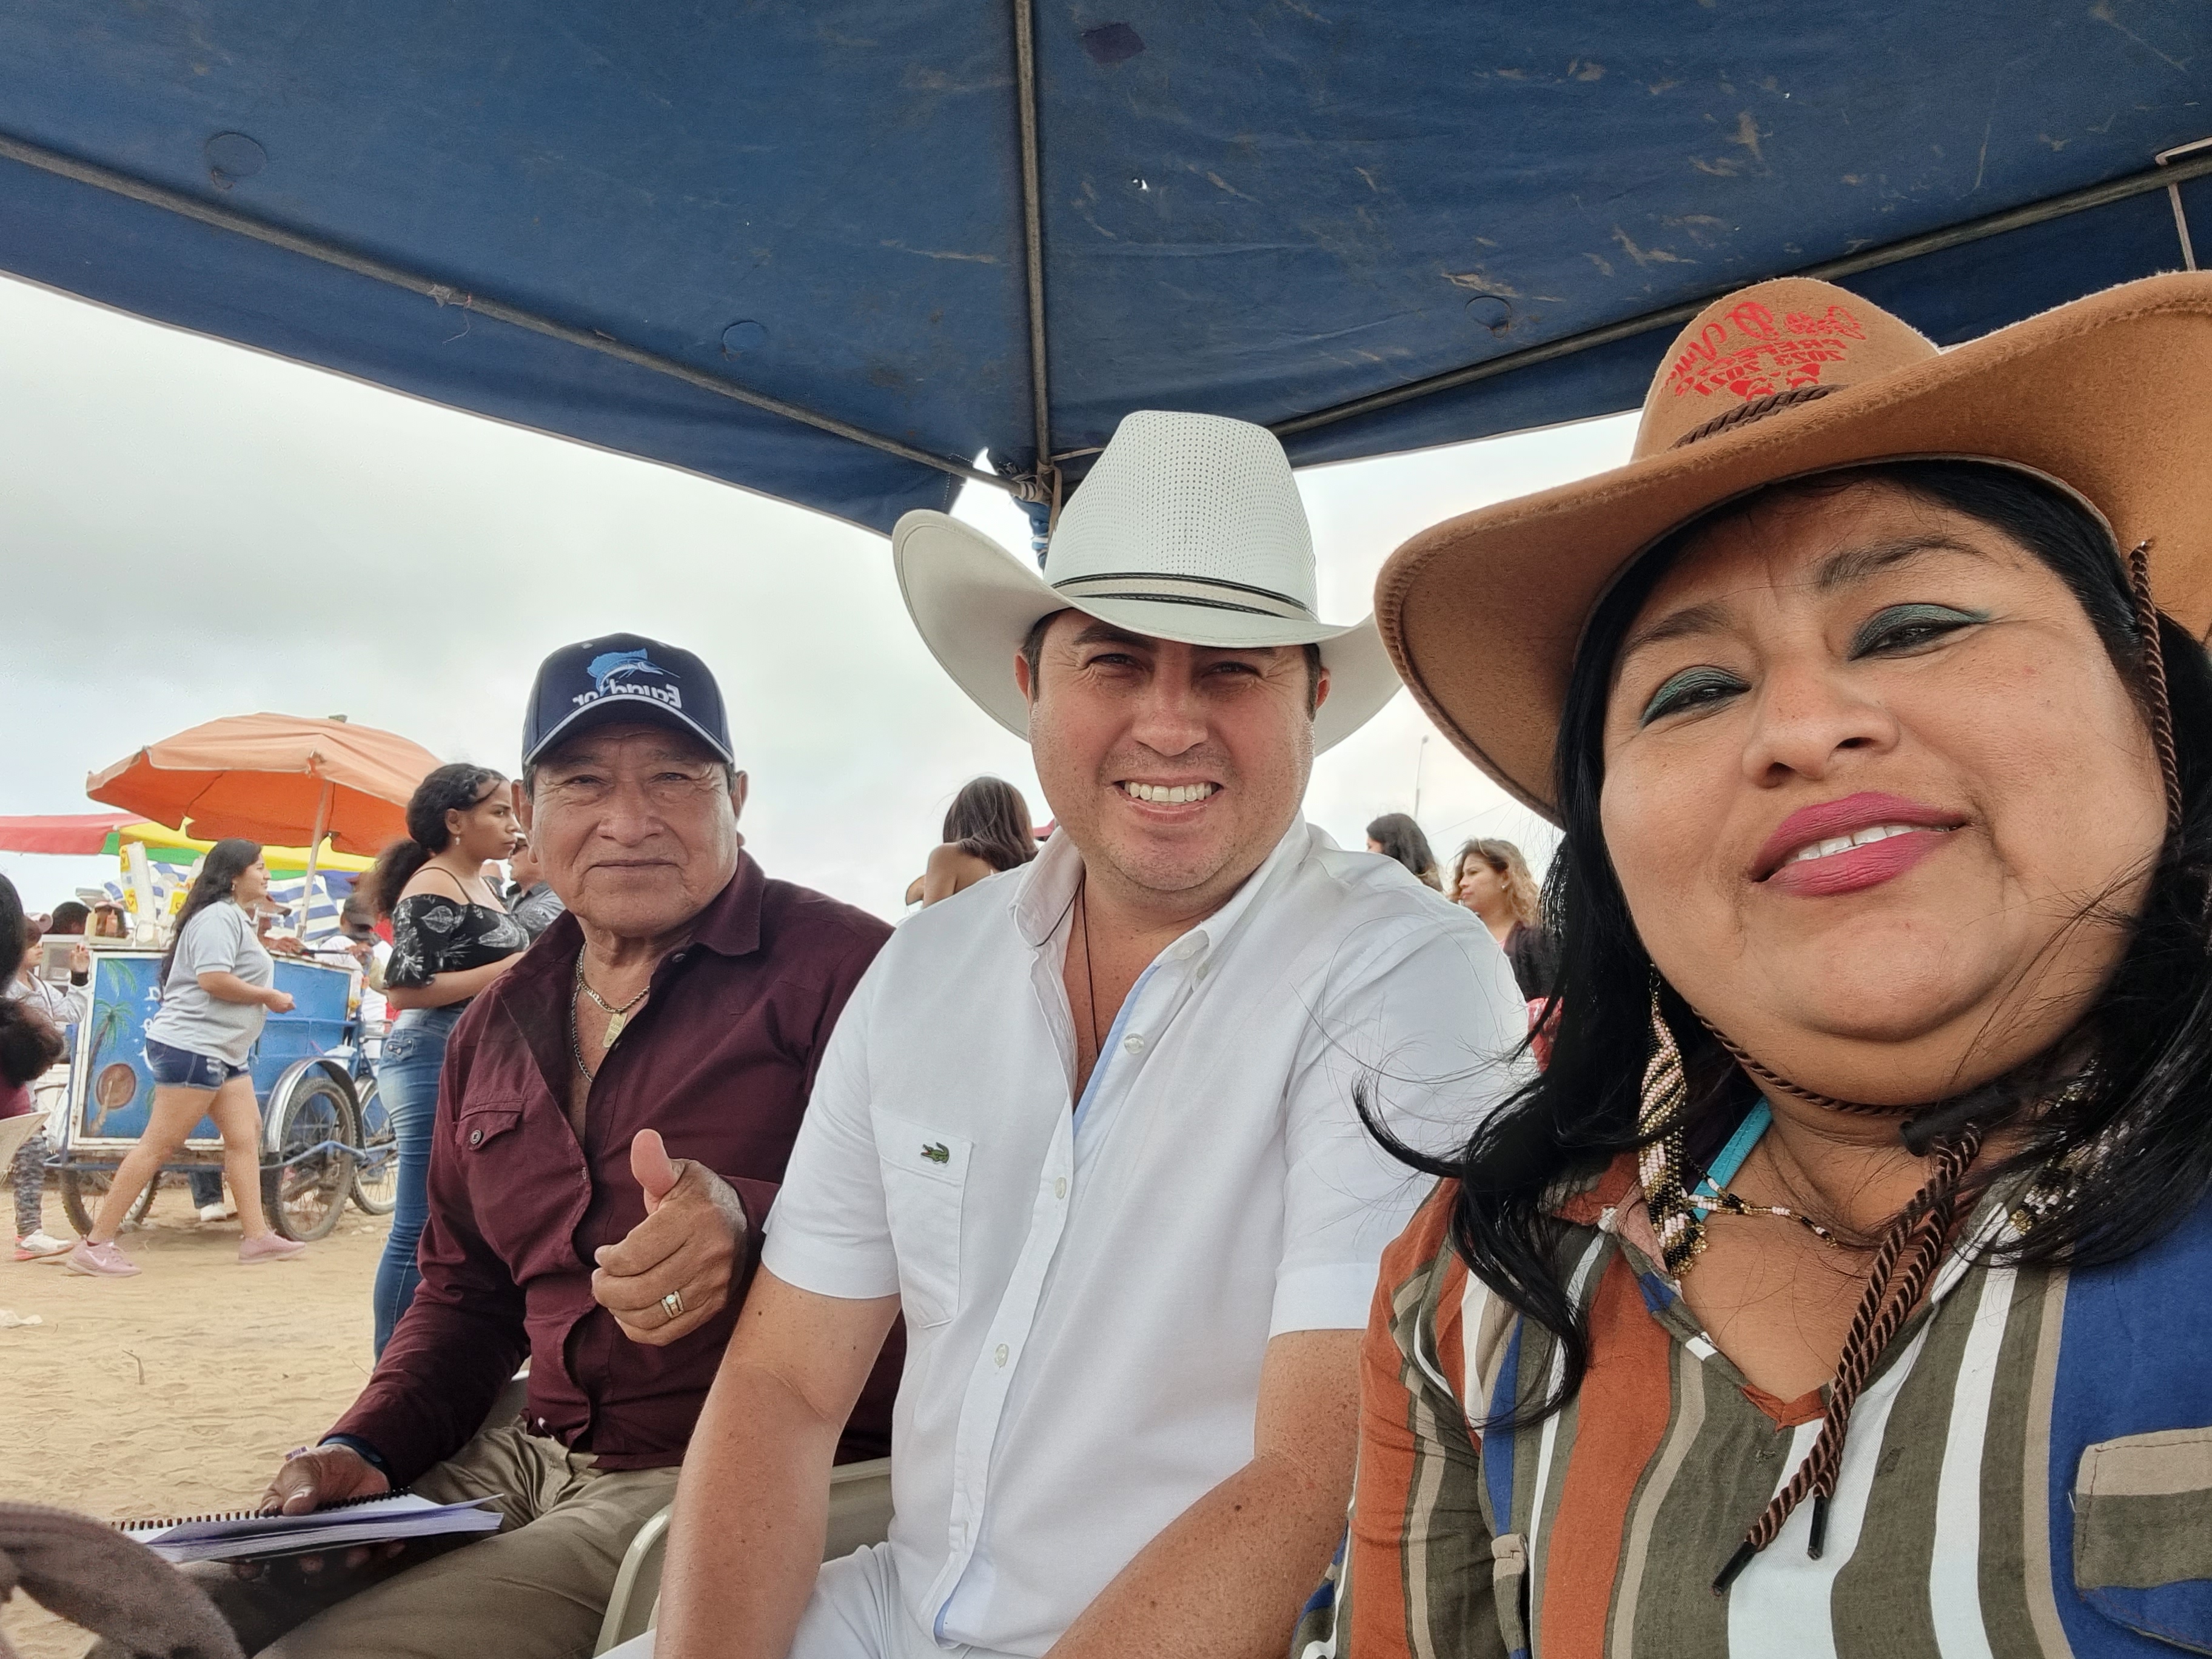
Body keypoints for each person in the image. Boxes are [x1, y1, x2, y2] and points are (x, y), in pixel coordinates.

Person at [1298, 271, 2212, 1655]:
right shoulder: (1479, 1282)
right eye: (1694, 689)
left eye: (1913, 625)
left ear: (2148, 691)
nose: (1798, 726)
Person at [637, 411, 1523, 1659]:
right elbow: (784, 1384)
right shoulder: (926, 968)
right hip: (900, 1606)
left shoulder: (1407, 972)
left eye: (1231, 669)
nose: (1168, 724)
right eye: (1114, 660)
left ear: (1312, 701)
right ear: (1032, 685)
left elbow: (1320, 1467)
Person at [176, 632, 898, 1659]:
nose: (628, 821)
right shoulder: (497, 1019)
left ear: (736, 796)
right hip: (519, 1449)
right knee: (165, 1618)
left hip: (723, 1475)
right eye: (584, 781)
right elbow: (464, 1292)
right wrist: (364, 1442)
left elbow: (964, 1222)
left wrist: (756, 1221)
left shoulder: (853, 972)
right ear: (529, 808)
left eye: (674, 778)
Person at [65, 840, 304, 1277]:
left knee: (245, 1133)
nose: (268, 875)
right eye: (260, 867)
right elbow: (212, 979)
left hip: (222, 1048)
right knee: (159, 1144)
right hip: (195, 1046)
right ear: (234, 876)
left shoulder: (233, 917)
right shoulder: (218, 918)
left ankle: (257, 1237)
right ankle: (96, 1243)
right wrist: (268, 995)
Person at [364, 763, 531, 1355]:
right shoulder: (433, 884)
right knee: (420, 1222)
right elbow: (406, 989)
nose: (514, 825)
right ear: (456, 821)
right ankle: (392, 1369)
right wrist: (512, 967)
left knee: (460, 1220)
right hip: (430, 1051)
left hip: (466, 1055)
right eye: (499, 812)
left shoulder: (480, 883)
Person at [5, 899, 76, 1259]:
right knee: (31, 1150)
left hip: (21, 1088)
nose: (39, 948)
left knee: (32, 1150)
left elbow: (72, 1012)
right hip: (15, 1084)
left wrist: (79, 978)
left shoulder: (42, 988)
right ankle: (29, 1232)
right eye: (31, 941)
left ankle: (30, 1231)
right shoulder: (10, 992)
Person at [903, 776, 1037, 907]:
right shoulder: (1032, 874)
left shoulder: (948, 857)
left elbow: (930, 920)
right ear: (1018, 823)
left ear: (958, 820)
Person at [1447, 837, 1554, 999]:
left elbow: (1554, 1002)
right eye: (1462, 875)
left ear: (1505, 878)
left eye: (1473, 873)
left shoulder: (1537, 939)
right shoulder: (1456, 939)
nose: (1462, 883)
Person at [503, 834, 566, 939]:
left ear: (536, 853)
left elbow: (511, 935)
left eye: (514, 850)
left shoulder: (560, 897)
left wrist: (492, 884)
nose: (509, 857)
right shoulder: (511, 897)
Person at [1362, 811, 1442, 890]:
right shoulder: (1426, 892)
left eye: (1370, 847)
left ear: (1390, 849)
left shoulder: (1389, 891)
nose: (1366, 853)